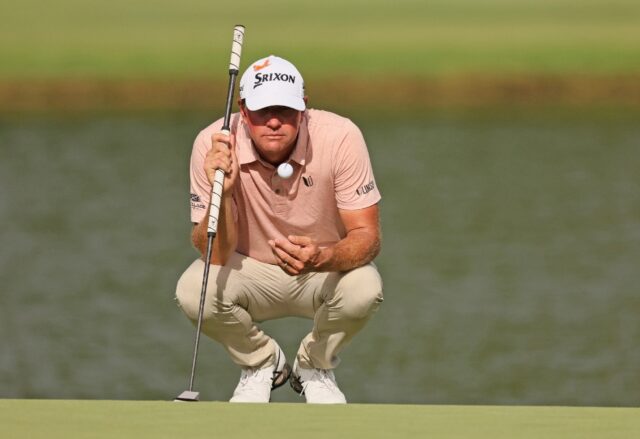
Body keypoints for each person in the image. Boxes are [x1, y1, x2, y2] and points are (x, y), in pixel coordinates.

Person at [175, 55, 383, 404]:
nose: (273, 121)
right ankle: (261, 364)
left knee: (364, 286)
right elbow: (214, 252)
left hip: (322, 267)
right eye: (260, 111)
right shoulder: (213, 144)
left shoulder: (341, 136)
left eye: (285, 110)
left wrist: (324, 256)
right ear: (242, 110)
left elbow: (368, 236)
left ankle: (313, 367)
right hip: (245, 267)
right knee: (194, 289)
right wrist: (222, 196)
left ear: (303, 107)